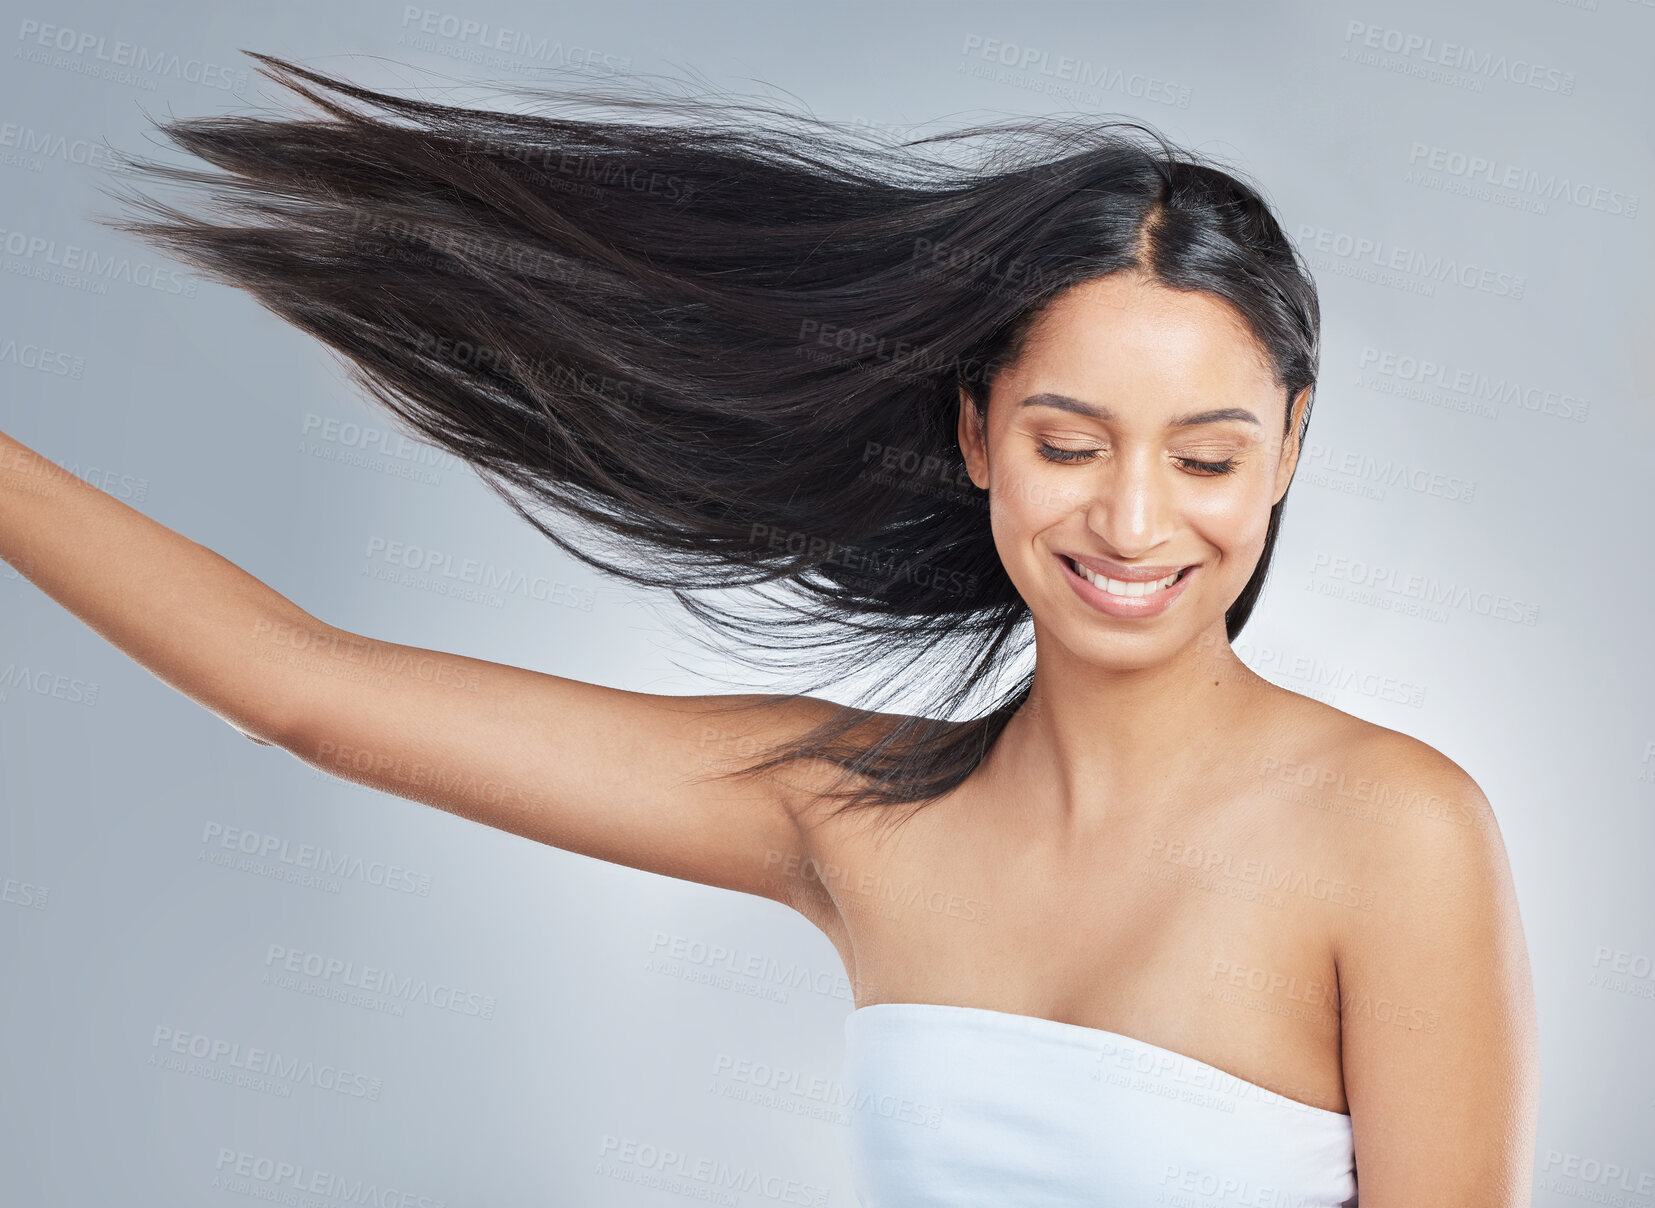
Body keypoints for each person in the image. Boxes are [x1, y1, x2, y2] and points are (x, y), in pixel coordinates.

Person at [0, 54, 1537, 1206]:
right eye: (1071, 444)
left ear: (1288, 446)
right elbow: (303, 689)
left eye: (1205, 458)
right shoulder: (854, 811)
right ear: (978, 434)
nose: (1136, 523)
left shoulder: (1391, 834)